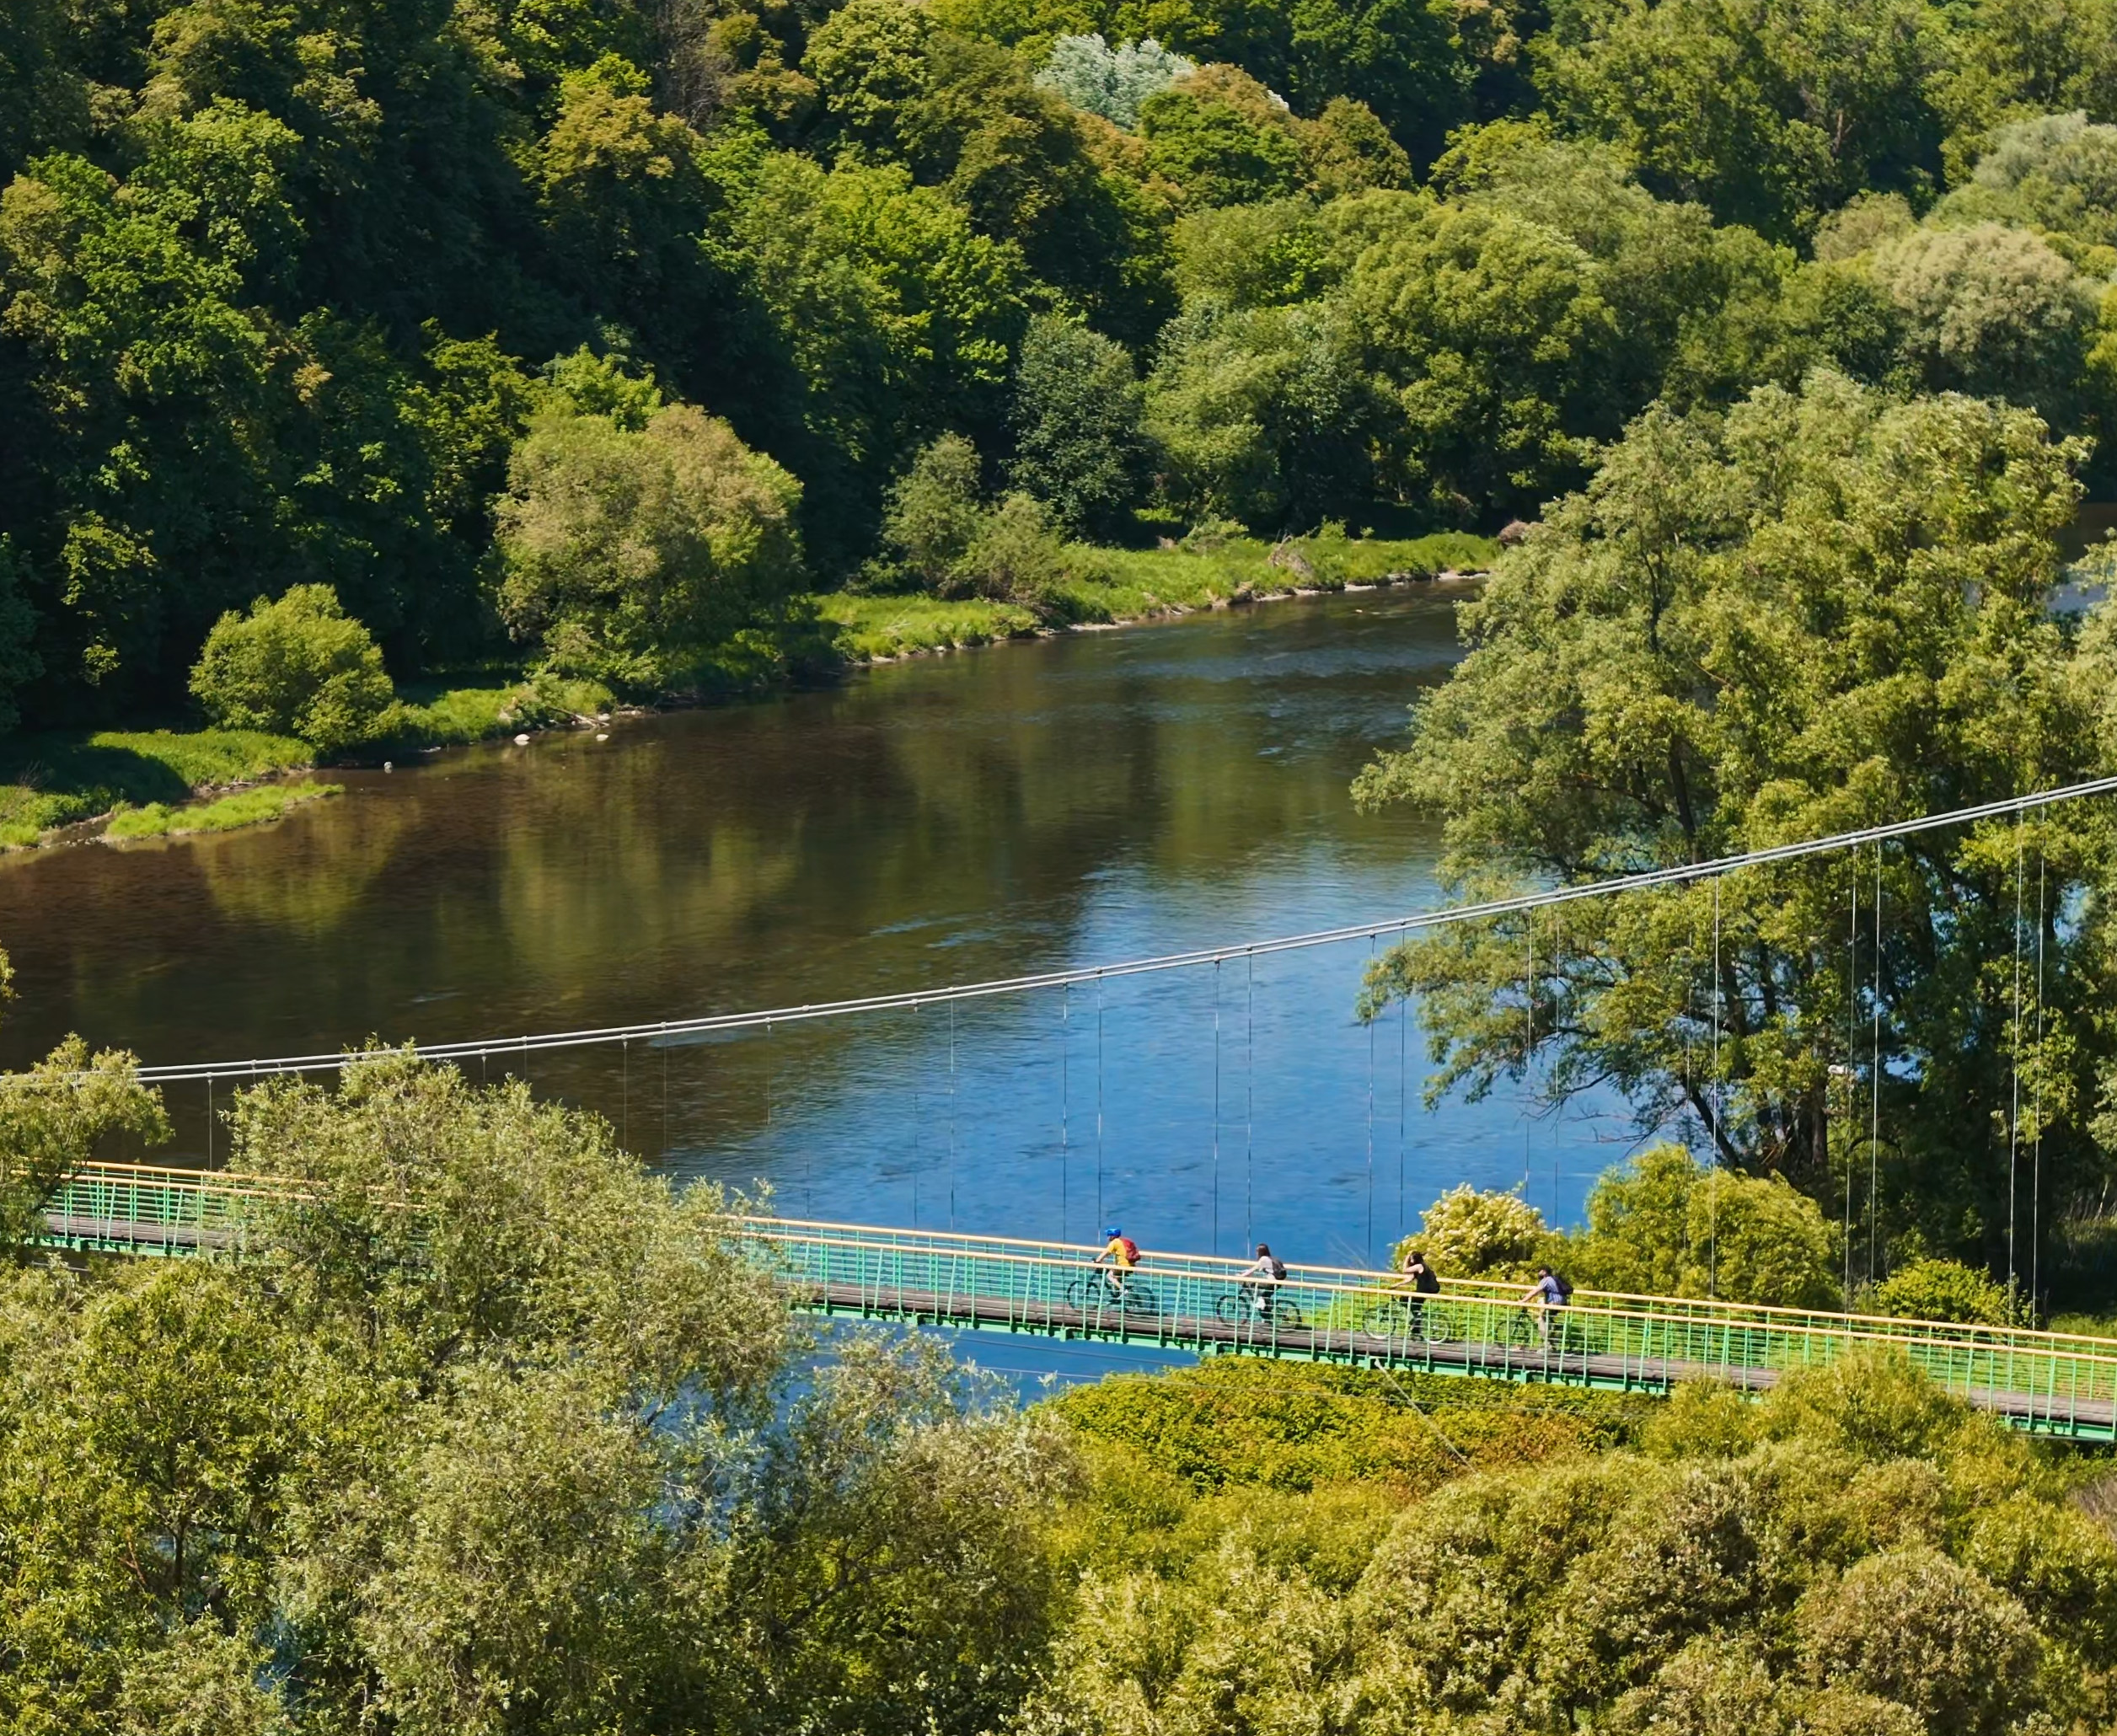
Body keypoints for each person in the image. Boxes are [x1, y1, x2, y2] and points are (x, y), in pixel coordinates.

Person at [1521, 1265, 1571, 1347]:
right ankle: (1552, 1331)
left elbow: (1535, 1291)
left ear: (1544, 1272)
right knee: (1544, 1313)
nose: (1538, 1272)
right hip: (1562, 1302)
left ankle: (1547, 1344)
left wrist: (1523, 1300)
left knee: (1541, 1319)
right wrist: (1526, 1296)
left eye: (1540, 1270)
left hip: (1555, 1303)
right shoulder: (1552, 1279)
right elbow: (1538, 1292)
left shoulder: (1546, 1280)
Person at [1237, 1242, 1287, 1321]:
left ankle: (1260, 1302)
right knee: (1264, 1296)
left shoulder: (1263, 1259)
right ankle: (1265, 1311)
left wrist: (1241, 1276)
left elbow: (1253, 1270)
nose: (1256, 1253)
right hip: (1278, 1282)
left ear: (1260, 1252)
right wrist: (1246, 1272)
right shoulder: (1270, 1258)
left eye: (1257, 1251)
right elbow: (1255, 1269)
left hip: (1271, 1283)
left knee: (1252, 1284)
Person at [1396, 1246, 1439, 1332]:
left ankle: (1416, 1319)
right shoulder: (1422, 1266)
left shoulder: (1419, 1266)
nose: (1411, 1261)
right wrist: (1397, 1285)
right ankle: (1416, 1328)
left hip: (1424, 1290)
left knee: (1403, 1299)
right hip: (1426, 1290)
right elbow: (1410, 1279)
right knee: (1415, 1306)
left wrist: (1407, 1258)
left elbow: (1404, 1270)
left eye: (1412, 1259)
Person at [1094, 1225, 1140, 1301]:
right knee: (1116, 1279)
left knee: (1109, 1276)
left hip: (1123, 1266)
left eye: (1109, 1235)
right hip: (1131, 1265)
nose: (1107, 1237)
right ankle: (1119, 1297)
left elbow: (1106, 1252)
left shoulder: (1114, 1242)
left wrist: (1097, 1260)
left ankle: (1123, 1290)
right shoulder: (1121, 1241)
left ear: (1112, 1236)